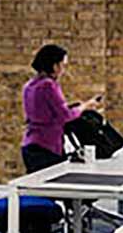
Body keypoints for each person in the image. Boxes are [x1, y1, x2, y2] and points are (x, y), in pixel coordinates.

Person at [20, 43, 99, 174]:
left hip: (30, 144)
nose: (63, 70)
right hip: (48, 146)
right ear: (55, 65)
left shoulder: (29, 86)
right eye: (63, 65)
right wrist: (85, 106)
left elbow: (44, 112)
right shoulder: (49, 85)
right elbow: (65, 116)